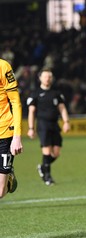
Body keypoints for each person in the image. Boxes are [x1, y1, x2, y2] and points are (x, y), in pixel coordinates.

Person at [27, 68, 70, 186]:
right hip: (42, 124)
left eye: (49, 76)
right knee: (46, 152)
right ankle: (47, 177)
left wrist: (66, 122)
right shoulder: (35, 93)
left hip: (54, 124)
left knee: (56, 153)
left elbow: (62, 108)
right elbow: (31, 112)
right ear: (40, 78)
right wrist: (31, 128)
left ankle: (42, 167)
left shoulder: (56, 93)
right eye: (45, 76)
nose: (47, 78)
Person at [0, 58, 23, 198]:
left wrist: (17, 136)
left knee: (0, 192)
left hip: (4, 132)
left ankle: (8, 178)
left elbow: (15, 102)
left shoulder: (3, 66)